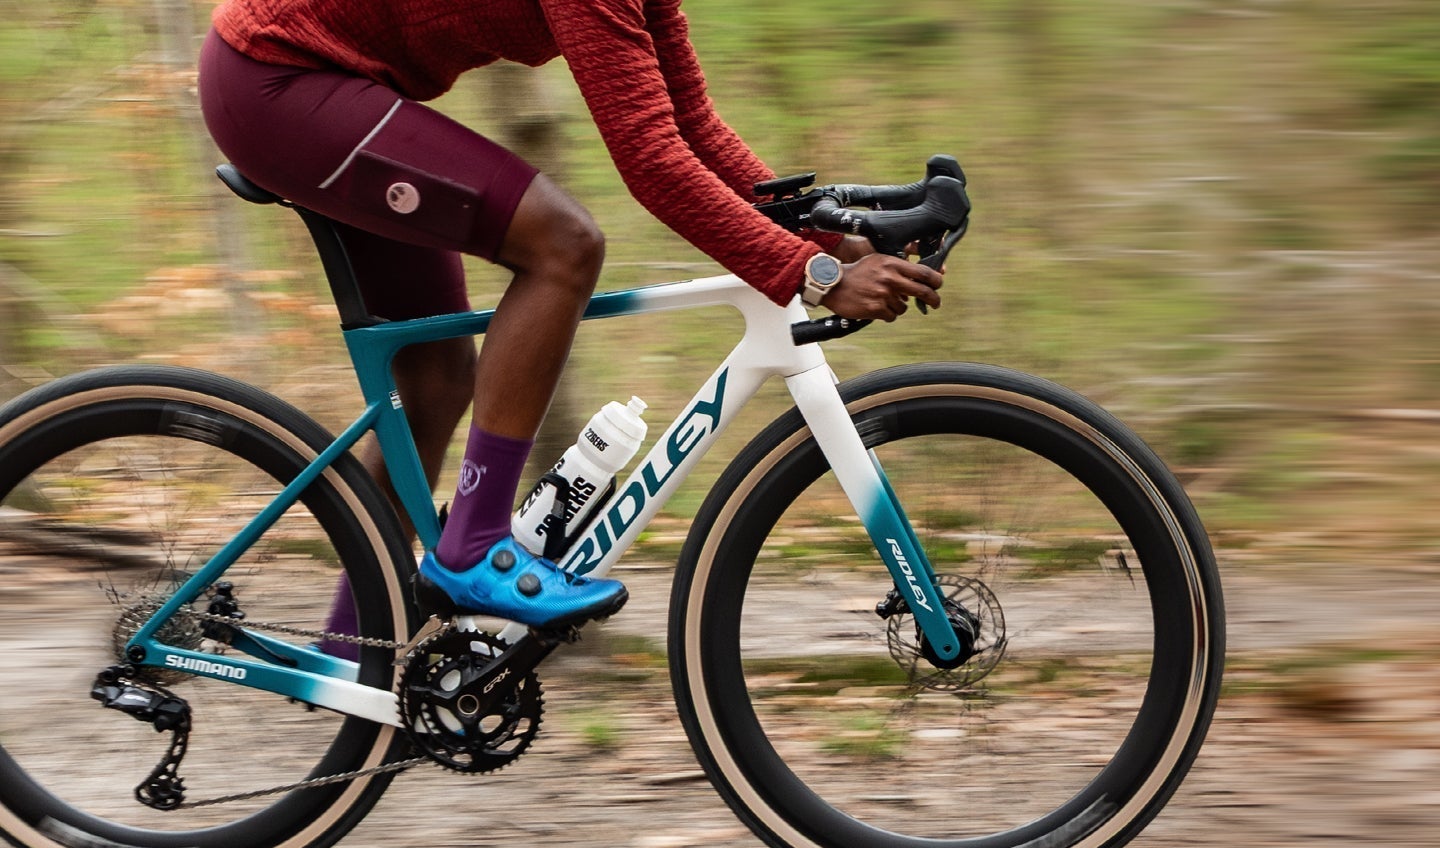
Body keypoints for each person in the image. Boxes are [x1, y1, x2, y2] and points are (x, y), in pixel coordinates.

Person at [197, 0, 946, 648]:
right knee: (564, 245)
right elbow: (650, 161)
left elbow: (692, 126)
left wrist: (838, 245)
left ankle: (353, 655)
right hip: (280, 80)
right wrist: (814, 278)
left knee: (435, 378)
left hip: (333, 86)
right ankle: (477, 549)